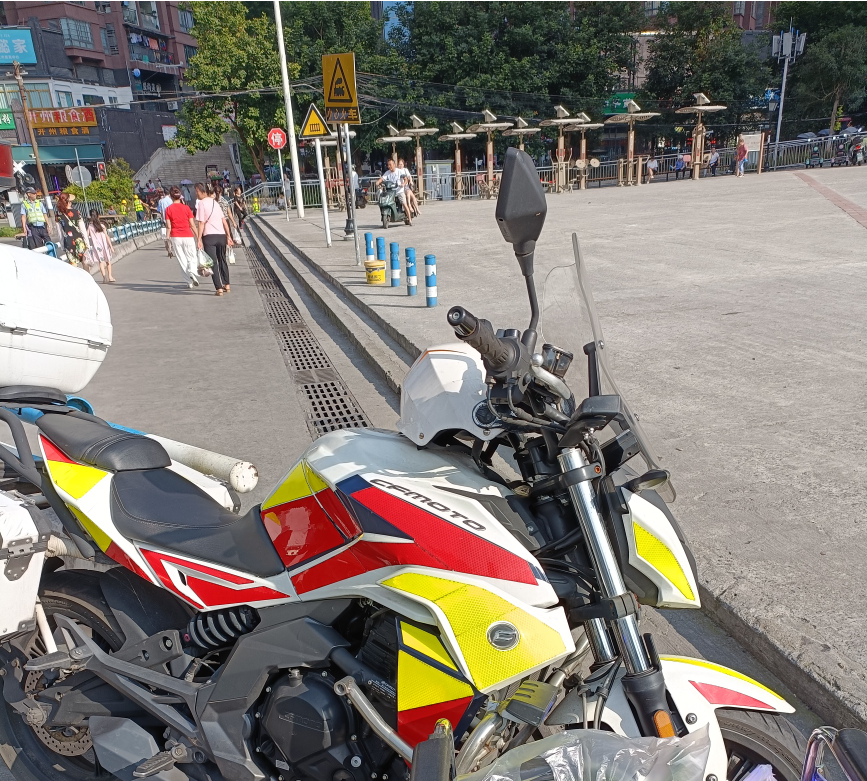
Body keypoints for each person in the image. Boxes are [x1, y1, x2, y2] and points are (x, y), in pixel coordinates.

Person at [194, 181, 233, 296]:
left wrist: (199, 239)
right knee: (222, 260)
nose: (196, 194)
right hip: (221, 236)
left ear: (202, 191)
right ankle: (227, 284)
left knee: (213, 262)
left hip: (209, 237)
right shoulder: (215, 203)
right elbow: (223, 220)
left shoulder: (201, 204)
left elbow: (201, 223)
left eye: (197, 191)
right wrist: (228, 235)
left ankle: (219, 288)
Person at [165, 186, 200, 289]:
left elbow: (168, 227)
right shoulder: (186, 208)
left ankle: (188, 282)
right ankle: (192, 271)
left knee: (181, 259)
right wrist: (198, 237)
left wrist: (167, 240)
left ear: (171, 197)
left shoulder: (168, 209)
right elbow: (192, 225)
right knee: (192, 256)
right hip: (188, 235)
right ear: (180, 196)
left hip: (175, 237)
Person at [55, 193, 88, 267]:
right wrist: (87, 242)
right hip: (79, 240)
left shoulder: (58, 215)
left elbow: (59, 233)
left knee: (73, 264)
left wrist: (62, 245)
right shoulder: (76, 212)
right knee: (84, 262)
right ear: (68, 202)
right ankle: (87, 274)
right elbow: (83, 229)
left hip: (68, 242)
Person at [376, 158, 412, 226]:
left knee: (404, 204)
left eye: (390, 165)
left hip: (399, 191)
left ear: (394, 164)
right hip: (390, 192)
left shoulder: (399, 171)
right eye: (388, 165)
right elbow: (382, 178)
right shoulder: (387, 173)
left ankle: (409, 219)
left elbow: (405, 179)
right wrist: (378, 182)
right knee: (385, 202)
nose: (389, 166)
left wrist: (403, 184)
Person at [86, 209, 115, 283]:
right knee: (108, 261)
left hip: (97, 247)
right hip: (105, 245)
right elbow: (107, 236)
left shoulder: (90, 226)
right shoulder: (102, 225)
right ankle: (110, 277)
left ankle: (104, 278)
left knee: (101, 262)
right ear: (98, 216)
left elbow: (86, 236)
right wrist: (111, 247)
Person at [156, 187, 173, 256]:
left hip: (164, 219)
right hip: (171, 219)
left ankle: (168, 247)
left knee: (166, 233)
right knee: (171, 232)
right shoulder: (171, 200)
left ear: (164, 193)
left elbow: (159, 210)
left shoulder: (161, 201)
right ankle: (171, 245)